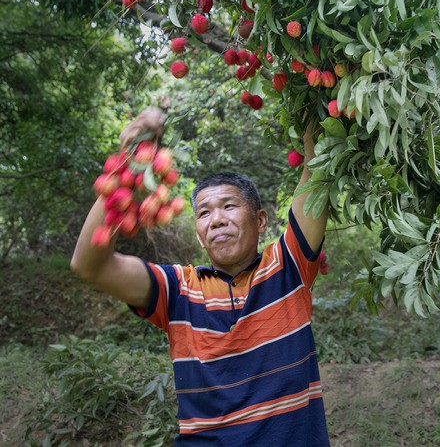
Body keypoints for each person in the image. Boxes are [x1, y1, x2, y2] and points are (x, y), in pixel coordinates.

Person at [70, 107, 331, 444]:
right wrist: (130, 161)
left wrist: (311, 95)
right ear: (198, 234)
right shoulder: (178, 290)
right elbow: (90, 264)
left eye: (229, 206)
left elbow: (316, 165)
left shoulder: (289, 266)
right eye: (204, 213)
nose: (216, 220)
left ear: (261, 220)